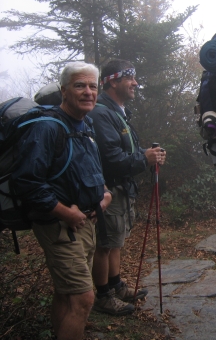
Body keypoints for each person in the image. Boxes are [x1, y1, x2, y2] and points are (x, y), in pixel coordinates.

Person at [11, 62, 112, 340]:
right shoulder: (46, 127)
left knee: (67, 294)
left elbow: (88, 167)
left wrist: (104, 193)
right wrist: (66, 213)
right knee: (83, 299)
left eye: (93, 86)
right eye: (80, 86)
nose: (88, 92)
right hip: (61, 226)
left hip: (85, 222)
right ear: (64, 90)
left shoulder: (84, 124)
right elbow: (27, 181)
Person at [89, 59, 166, 315]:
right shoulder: (101, 113)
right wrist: (145, 158)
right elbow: (111, 160)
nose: (136, 83)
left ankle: (116, 285)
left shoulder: (117, 112)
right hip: (109, 190)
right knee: (105, 244)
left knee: (115, 241)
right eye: (130, 78)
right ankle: (103, 296)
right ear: (113, 80)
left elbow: (124, 151)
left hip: (120, 189)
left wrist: (146, 153)